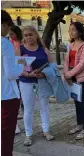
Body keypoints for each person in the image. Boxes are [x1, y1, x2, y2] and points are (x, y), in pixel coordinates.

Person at [15, 26, 54, 146]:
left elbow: (52, 66)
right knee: (28, 109)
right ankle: (28, 134)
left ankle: (46, 131)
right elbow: (17, 68)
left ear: (36, 35)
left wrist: (44, 73)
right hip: (26, 82)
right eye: (25, 35)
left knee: (44, 107)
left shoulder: (43, 49)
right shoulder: (20, 49)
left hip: (42, 82)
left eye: (30, 34)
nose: (28, 37)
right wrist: (28, 74)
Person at [64, 22, 84, 140]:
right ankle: (79, 125)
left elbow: (82, 64)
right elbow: (66, 61)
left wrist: (69, 74)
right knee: (76, 102)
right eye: (70, 29)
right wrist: (66, 74)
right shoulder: (71, 45)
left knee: (82, 103)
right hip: (73, 78)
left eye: (73, 30)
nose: (71, 32)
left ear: (80, 31)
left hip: (83, 78)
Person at [1, 10, 26, 156]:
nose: (7, 31)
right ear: (4, 24)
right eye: (7, 27)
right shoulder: (4, 43)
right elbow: (11, 73)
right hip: (7, 95)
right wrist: (22, 64)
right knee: (5, 135)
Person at [9, 25, 24, 134]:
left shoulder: (22, 44)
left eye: (12, 34)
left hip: (22, 72)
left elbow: (24, 60)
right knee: (14, 98)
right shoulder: (8, 44)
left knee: (20, 97)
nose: (10, 36)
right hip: (12, 73)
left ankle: (21, 113)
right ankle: (15, 125)